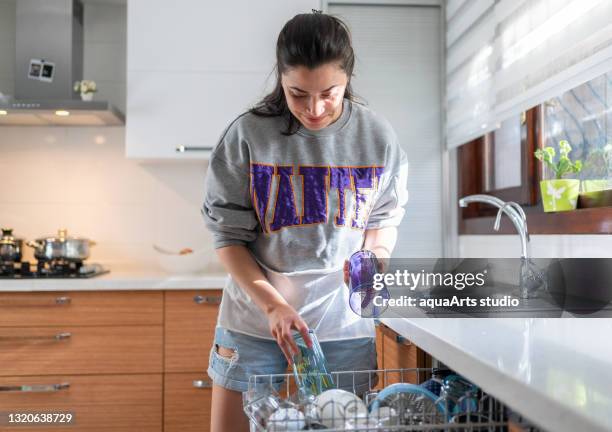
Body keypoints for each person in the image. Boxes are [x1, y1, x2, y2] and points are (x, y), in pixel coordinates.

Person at [202, 10, 408, 432]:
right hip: (255, 320)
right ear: (280, 78)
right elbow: (227, 236)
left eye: (328, 93)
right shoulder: (247, 136)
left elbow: (384, 218)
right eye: (298, 94)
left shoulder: (377, 137)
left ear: (347, 77)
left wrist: (374, 257)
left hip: (342, 324)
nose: (314, 108)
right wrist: (273, 305)